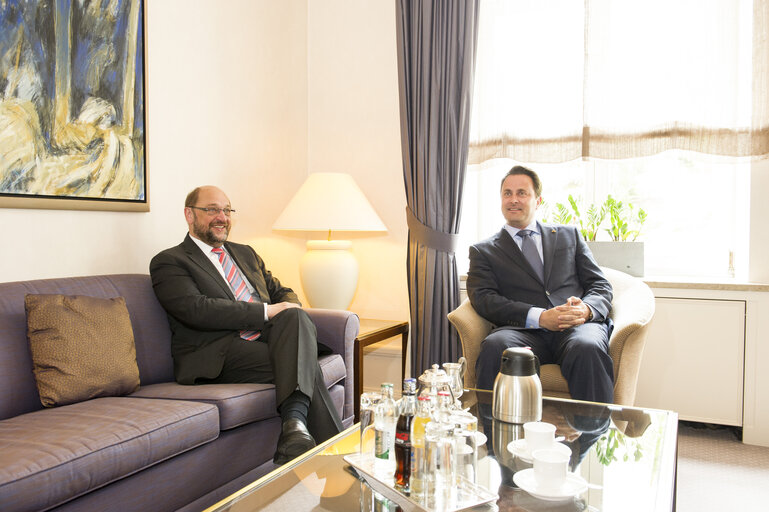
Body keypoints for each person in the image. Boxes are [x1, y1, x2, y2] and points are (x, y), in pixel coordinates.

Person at [149, 185, 342, 465]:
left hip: (266, 342)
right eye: (212, 209)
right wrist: (266, 312)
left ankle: (295, 430)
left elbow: (282, 292)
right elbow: (196, 309)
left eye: (227, 210)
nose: (222, 217)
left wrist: (288, 307)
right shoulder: (170, 261)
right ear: (189, 215)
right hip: (218, 352)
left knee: (295, 315)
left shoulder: (245, 253)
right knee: (303, 364)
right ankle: (337, 463)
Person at [467, 166, 615, 403]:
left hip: (575, 327)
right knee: (496, 346)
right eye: (507, 193)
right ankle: (496, 436)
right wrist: (539, 316)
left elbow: (600, 284)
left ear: (538, 200)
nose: (513, 199)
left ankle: (594, 436)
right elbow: (484, 299)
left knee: (588, 347)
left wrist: (585, 310)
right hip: (522, 331)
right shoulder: (484, 251)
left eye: (522, 193)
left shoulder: (569, 235)